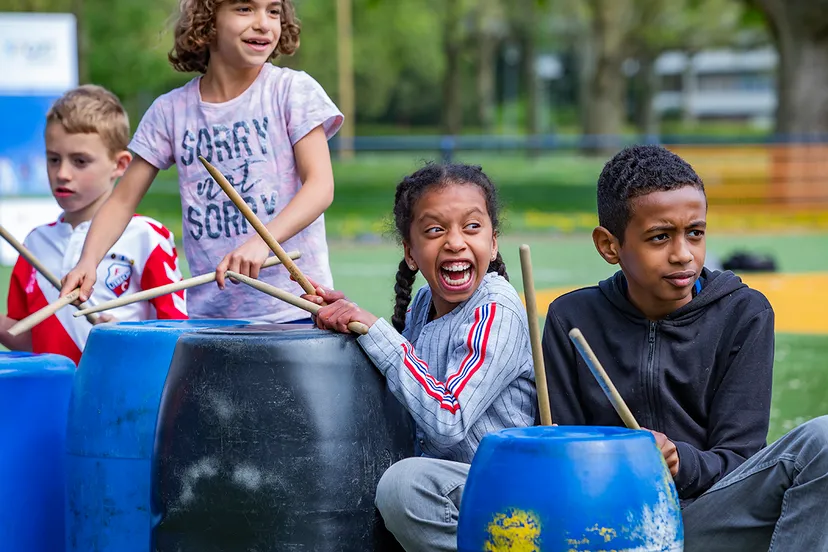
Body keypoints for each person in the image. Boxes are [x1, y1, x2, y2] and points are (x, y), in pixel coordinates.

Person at [542, 144, 828, 552]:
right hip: (604, 525)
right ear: (609, 245)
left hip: (707, 521)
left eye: (695, 233)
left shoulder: (744, 312)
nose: (683, 255)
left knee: (824, 440)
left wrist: (680, 461)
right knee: (418, 485)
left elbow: (741, 459)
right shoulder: (570, 318)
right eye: (660, 237)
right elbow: (561, 453)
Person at [59, 0, 343, 323]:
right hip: (211, 319)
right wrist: (88, 261)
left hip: (294, 309)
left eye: (274, 11)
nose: (264, 23)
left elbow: (320, 186)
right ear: (207, 21)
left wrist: (263, 243)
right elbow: (122, 201)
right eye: (245, 9)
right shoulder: (171, 112)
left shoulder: (292, 91)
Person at [302, 163, 537, 552]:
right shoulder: (427, 302)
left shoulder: (496, 309)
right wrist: (353, 320)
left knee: (403, 486)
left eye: (472, 227)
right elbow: (409, 381)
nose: (455, 242)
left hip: (504, 487)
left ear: (493, 243)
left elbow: (447, 420)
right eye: (434, 230)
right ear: (411, 252)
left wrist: (378, 333)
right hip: (455, 483)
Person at [0, 85, 187, 365]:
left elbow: (178, 331)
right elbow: (27, 339)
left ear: (121, 164)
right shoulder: (35, 242)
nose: (62, 173)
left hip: (122, 394)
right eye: (53, 159)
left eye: (80, 161)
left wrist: (128, 339)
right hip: (54, 396)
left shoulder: (147, 236)